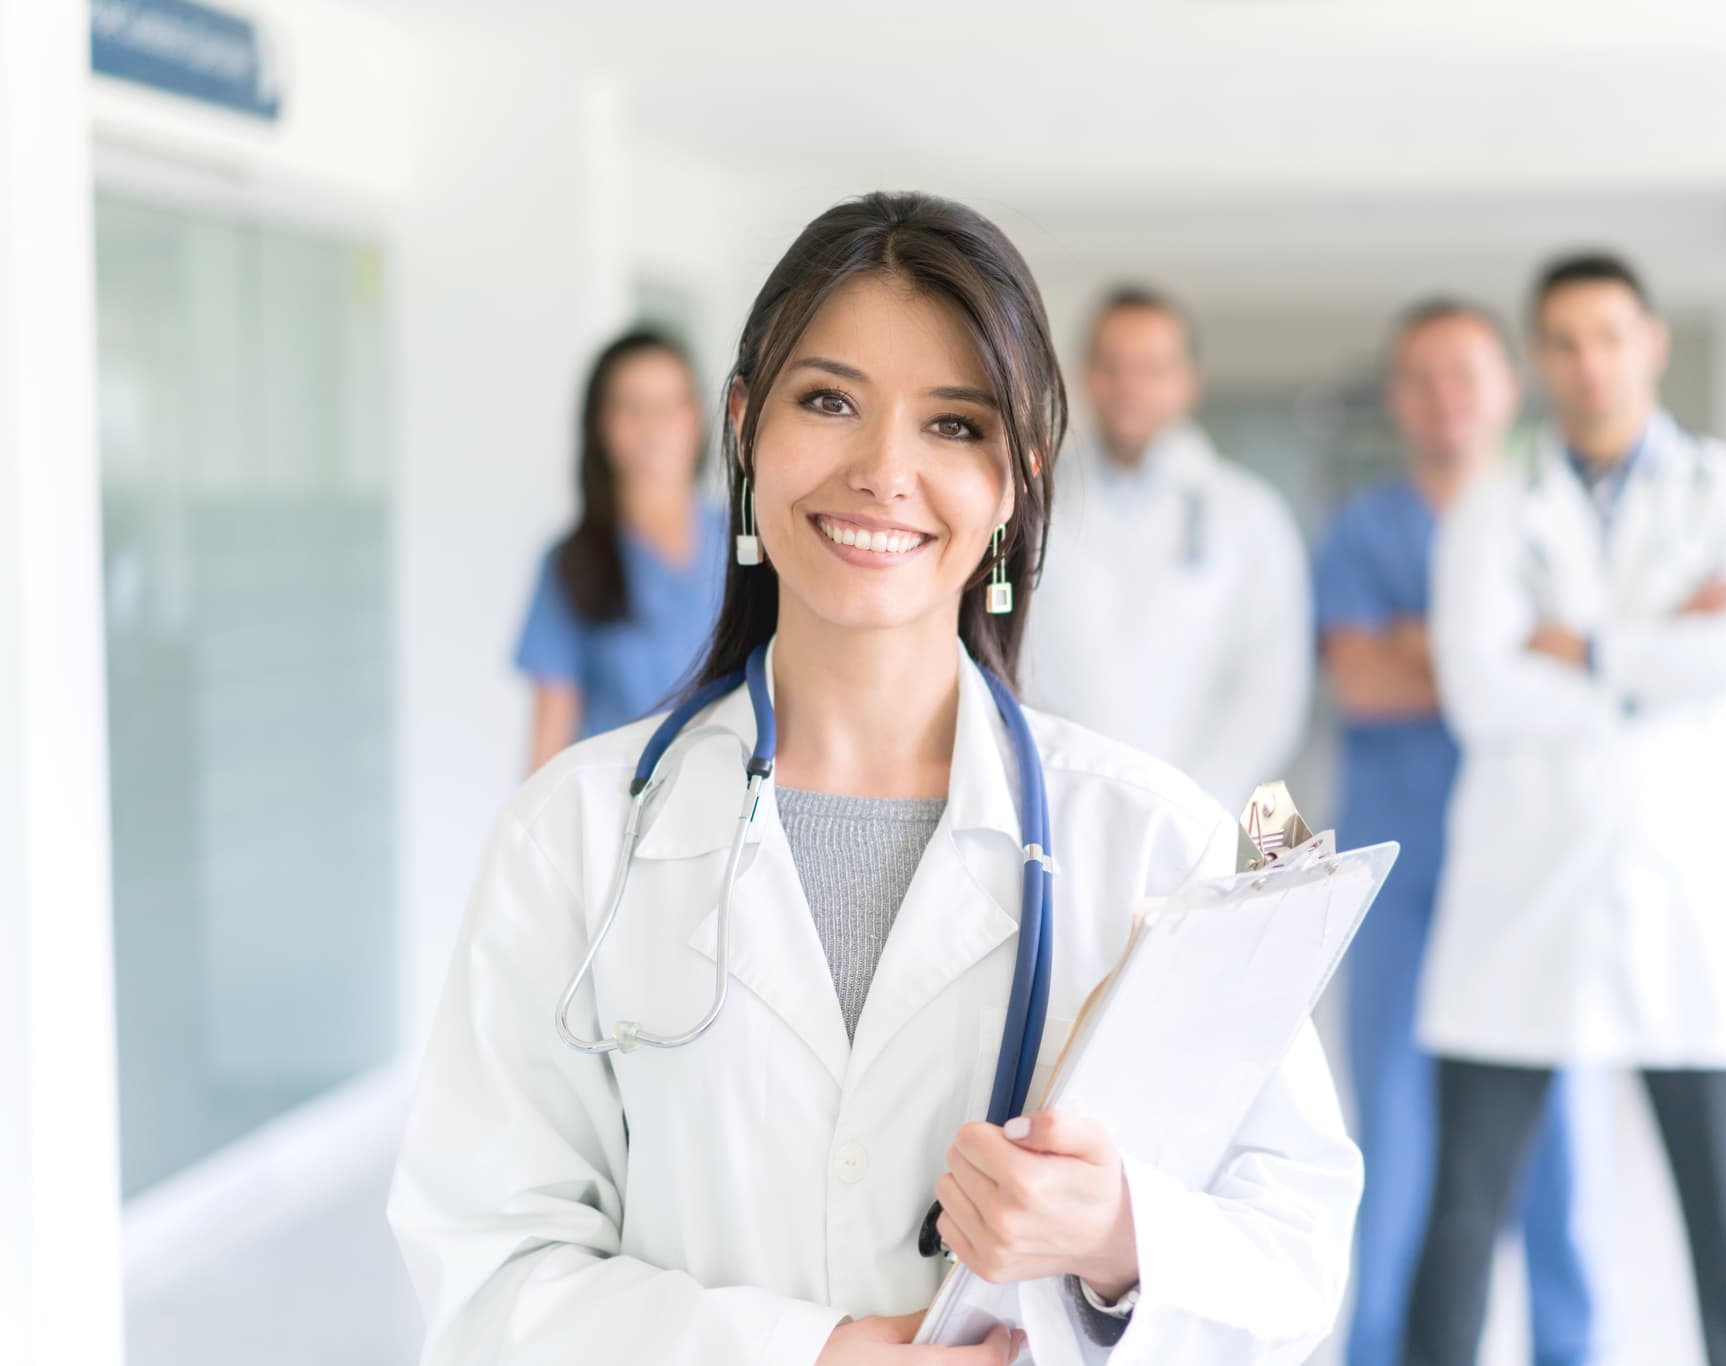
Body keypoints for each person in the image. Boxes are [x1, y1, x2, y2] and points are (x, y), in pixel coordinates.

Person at [390, 192, 1361, 1366]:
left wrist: (1118, 1237)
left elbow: (1297, 1257)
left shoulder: (1154, 839)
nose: (882, 470)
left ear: (1016, 480)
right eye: (828, 400)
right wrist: (809, 1354)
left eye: (954, 426)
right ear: (744, 425)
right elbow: (485, 1275)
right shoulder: (574, 837)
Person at [1402, 254, 1726, 1366]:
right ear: (1539, 360)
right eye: (1564, 343)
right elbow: (1481, 695)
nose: (1588, 365)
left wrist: (1576, 642)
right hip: (1519, 904)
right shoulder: (1492, 506)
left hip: (1689, 903)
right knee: (1461, 1222)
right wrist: (1662, 647)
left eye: (1609, 337)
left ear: (1650, 344)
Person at [1314, 300, 1598, 1366]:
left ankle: (1570, 1349)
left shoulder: (1558, 521)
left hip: (1537, 872)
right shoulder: (1360, 530)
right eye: (1420, 378)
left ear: (1506, 388)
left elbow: (1597, 664)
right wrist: (1506, 651)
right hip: (1405, 875)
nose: (1443, 399)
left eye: (1464, 375)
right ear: (1396, 398)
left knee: (1561, 1147)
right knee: (1393, 1137)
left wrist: (1431, 642)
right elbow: (1361, 679)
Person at [1022, 286, 1311, 812]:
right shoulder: (1025, 506)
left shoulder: (1249, 515)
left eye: (1152, 368)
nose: (1129, 386)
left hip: (1200, 813)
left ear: (1188, 382)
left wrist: (1189, 804)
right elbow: (1005, 662)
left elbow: (1271, 690)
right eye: (1111, 365)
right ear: (1083, 375)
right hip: (1060, 806)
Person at [515, 327, 727, 771]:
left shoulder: (748, 545)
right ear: (601, 424)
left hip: (737, 810)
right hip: (621, 823)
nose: (655, 426)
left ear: (696, 418)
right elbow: (547, 749)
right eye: (633, 408)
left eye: (671, 405)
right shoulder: (573, 564)